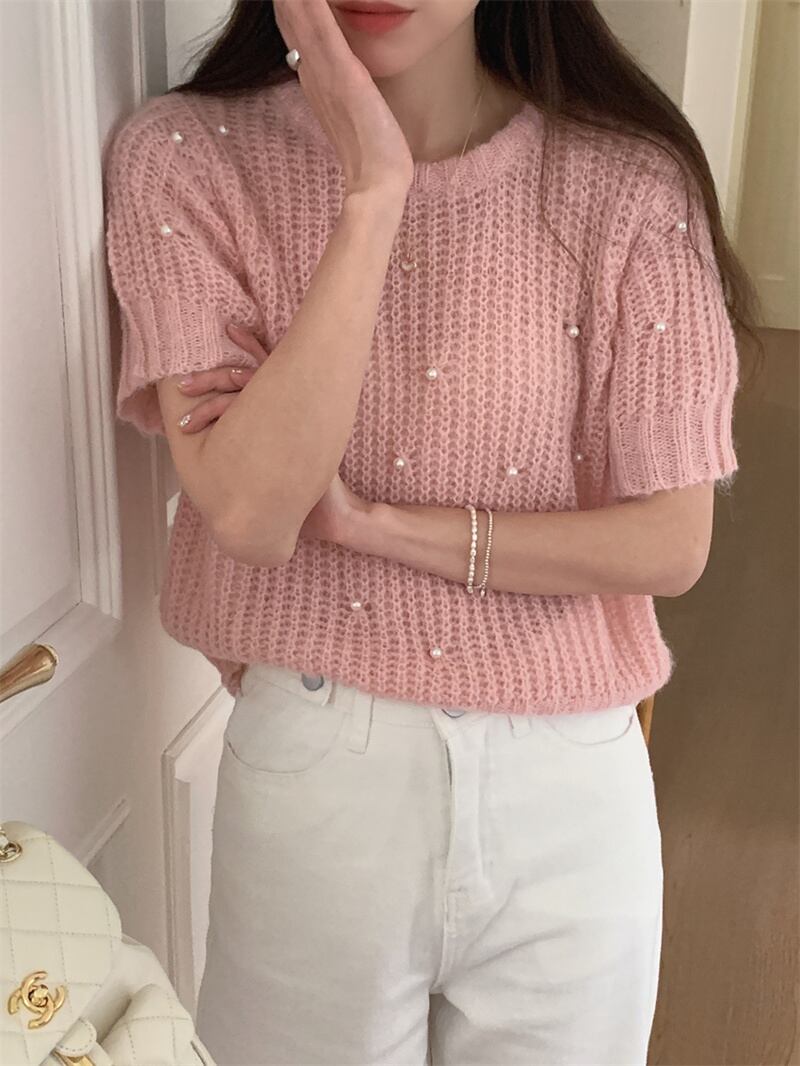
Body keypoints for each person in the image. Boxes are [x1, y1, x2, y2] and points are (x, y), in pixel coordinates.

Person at [102, 1, 759, 1062]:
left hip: (569, 788)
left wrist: (380, 525)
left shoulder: (628, 184)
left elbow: (669, 543)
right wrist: (374, 193)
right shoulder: (187, 158)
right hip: (319, 772)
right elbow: (254, 511)